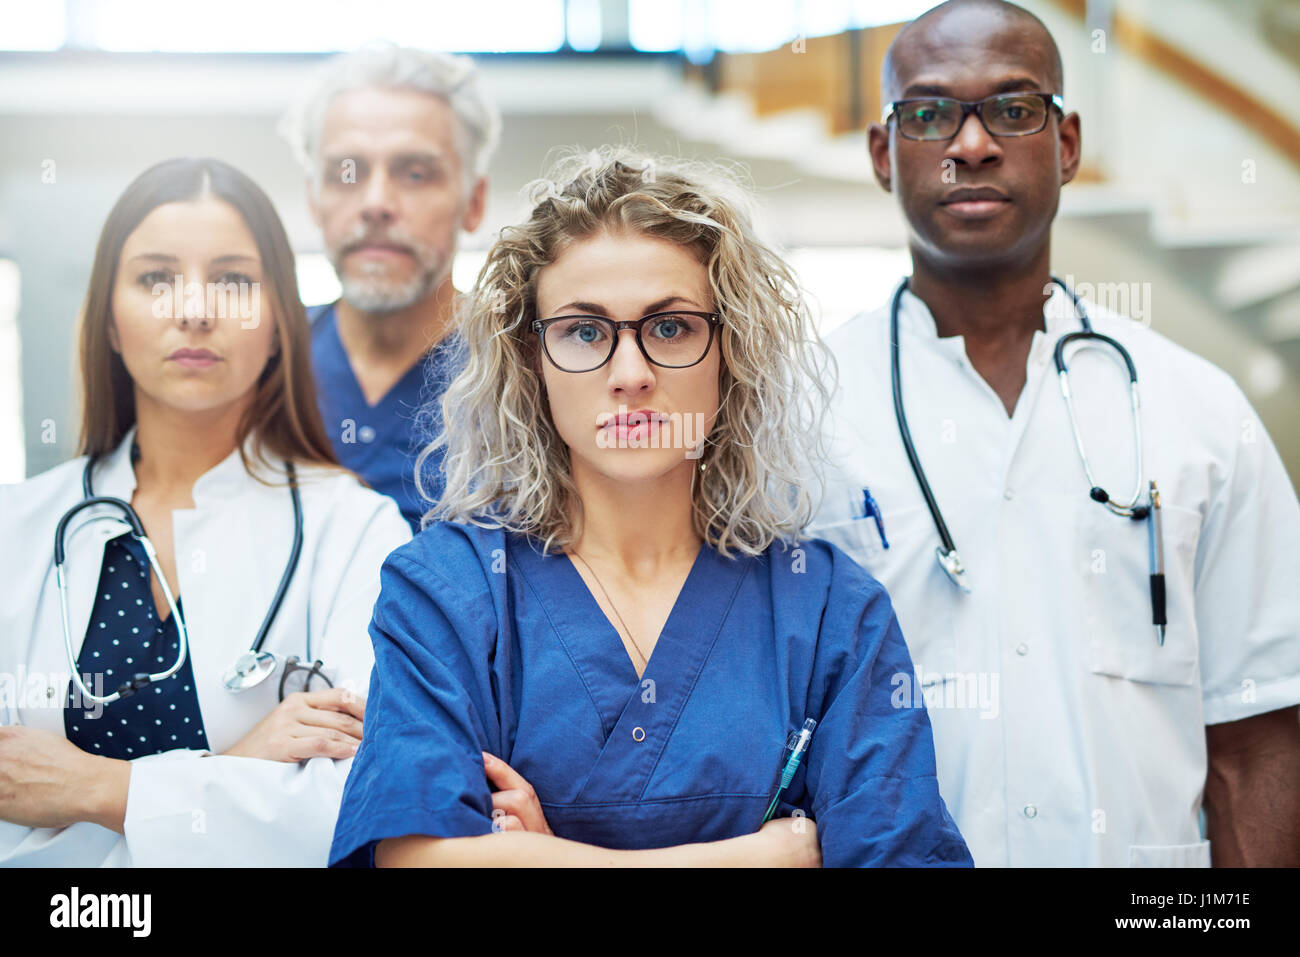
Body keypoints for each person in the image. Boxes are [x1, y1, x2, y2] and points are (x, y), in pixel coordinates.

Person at [328, 147, 972, 868]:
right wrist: (769, 854)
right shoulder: (448, 592)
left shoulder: (827, 607)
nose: (630, 375)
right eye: (584, 332)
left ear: (730, 349)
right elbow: (414, 858)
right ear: (529, 358)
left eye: (670, 328)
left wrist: (545, 856)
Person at [806, 0, 1300, 866]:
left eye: (1013, 107)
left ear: (1066, 145)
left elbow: (1256, 739)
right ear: (885, 154)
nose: (971, 144)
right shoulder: (800, 415)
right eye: (927, 113)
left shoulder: (1199, 410)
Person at [0, 158, 411, 866]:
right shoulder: (16, 528)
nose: (194, 308)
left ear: (283, 323)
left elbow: (348, 806)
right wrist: (236, 765)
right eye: (156, 278)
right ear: (109, 321)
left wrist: (105, 788)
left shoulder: (356, 531)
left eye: (233, 280)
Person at [281, 43, 499, 530]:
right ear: (313, 199)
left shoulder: (529, 373)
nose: (376, 202)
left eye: (415, 173)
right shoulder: (265, 365)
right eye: (346, 173)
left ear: (474, 202)